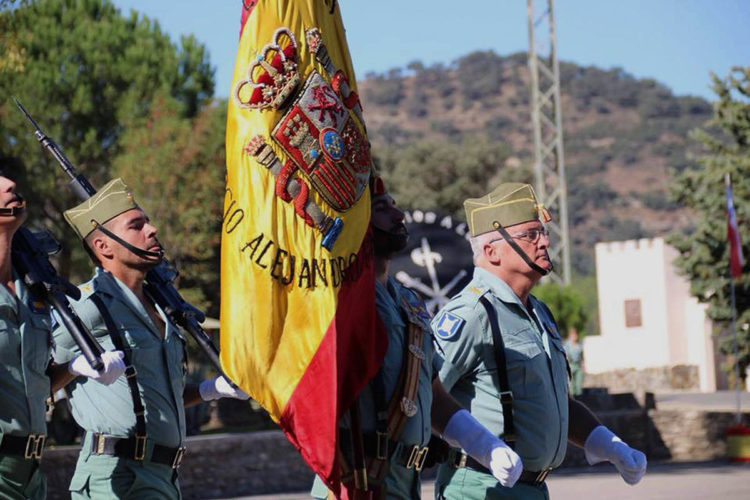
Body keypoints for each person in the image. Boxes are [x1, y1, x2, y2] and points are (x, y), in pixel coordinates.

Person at [431, 182, 647, 499]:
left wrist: (608, 445)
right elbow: (424, 395)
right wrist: (483, 445)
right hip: (480, 488)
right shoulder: (471, 315)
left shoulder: (539, 313)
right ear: (492, 251)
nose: (545, 241)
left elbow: (558, 403)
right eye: (530, 235)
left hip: (534, 488)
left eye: (543, 233)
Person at [312, 178, 522, 499]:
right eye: (383, 208)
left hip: (403, 484)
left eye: (395, 205)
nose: (399, 216)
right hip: (353, 481)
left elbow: (431, 393)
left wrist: (484, 444)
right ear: (356, 221)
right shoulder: (337, 297)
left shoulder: (407, 301)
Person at [52, 178, 248, 499]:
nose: (152, 230)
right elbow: (36, 382)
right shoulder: (86, 305)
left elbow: (154, 398)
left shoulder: (164, 308)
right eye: (137, 225)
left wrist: (210, 390)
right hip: (115, 477)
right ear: (103, 246)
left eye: (148, 222)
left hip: (165, 476)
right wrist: (74, 367)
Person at [0, 170, 125, 500]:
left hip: (28, 471)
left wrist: (73, 369)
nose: (10, 184)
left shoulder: (29, 292)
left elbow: (34, 383)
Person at [564, 328, 584, 397]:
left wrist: (583, 364)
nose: (575, 336)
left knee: (578, 384)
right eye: (573, 335)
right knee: (571, 385)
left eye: (576, 335)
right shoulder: (568, 344)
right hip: (571, 365)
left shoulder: (579, 344)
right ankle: (573, 397)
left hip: (578, 365)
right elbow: (565, 355)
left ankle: (579, 397)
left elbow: (582, 355)